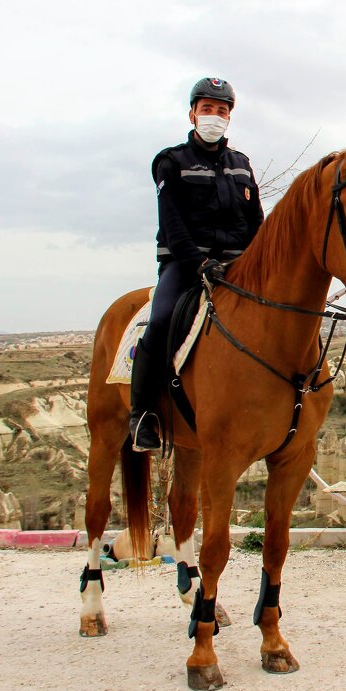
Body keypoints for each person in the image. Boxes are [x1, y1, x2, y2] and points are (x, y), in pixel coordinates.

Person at [127, 77, 264, 451]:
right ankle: (142, 415)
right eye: (207, 109)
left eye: (222, 111)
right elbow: (172, 224)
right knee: (161, 320)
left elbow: (256, 223)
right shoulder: (171, 162)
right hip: (186, 265)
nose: (214, 117)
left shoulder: (241, 164)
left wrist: (260, 262)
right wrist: (200, 263)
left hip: (237, 266)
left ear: (229, 118)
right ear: (192, 114)